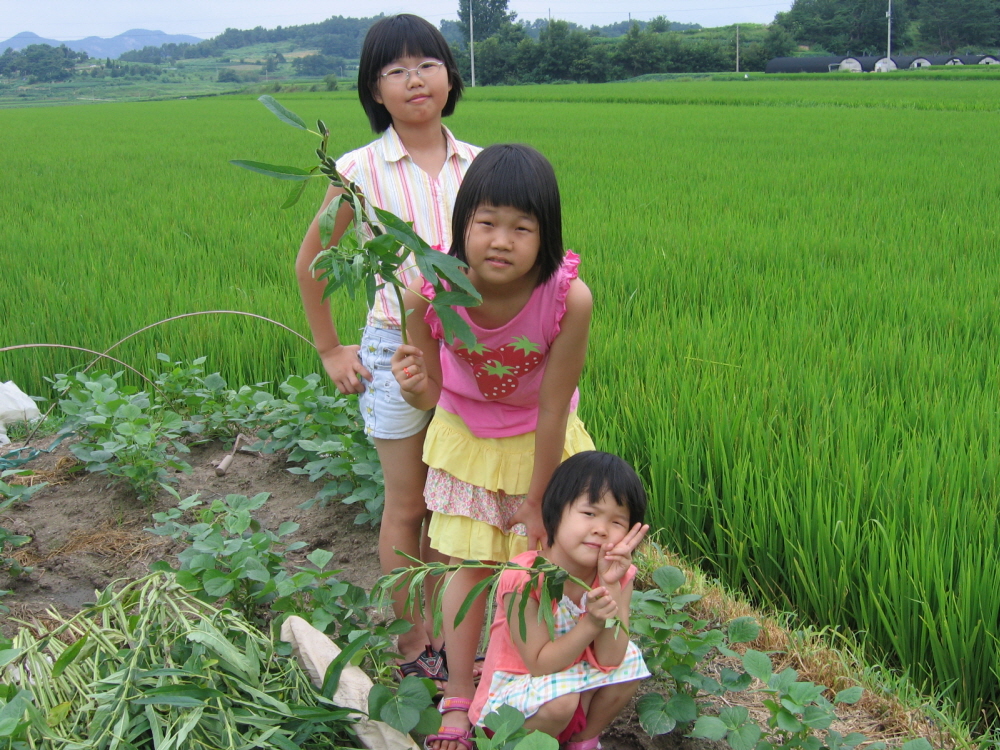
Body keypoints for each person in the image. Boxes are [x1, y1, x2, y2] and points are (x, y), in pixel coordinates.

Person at [390, 143, 595, 750]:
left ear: (546, 235)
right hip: (468, 442)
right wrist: (414, 384)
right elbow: (426, 400)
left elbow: (554, 406)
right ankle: (457, 695)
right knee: (468, 568)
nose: (500, 240)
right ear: (461, 227)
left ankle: (542, 682)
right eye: (485, 223)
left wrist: (538, 500)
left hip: (541, 440)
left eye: (521, 227)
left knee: (545, 571)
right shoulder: (427, 293)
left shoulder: (567, 299)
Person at [295, 13, 480, 682]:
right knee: (407, 504)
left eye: (426, 64)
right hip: (393, 348)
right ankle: (413, 645)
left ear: (449, 76)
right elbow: (312, 262)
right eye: (395, 70)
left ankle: (461, 638)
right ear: (375, 91)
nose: (414, 79)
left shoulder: (482, 166)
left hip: (469, 351)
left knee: (459, 506)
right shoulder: (358, 170)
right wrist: (330, 349)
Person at [470, 451, 651, 750]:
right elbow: (540, 664)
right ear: (555, 512)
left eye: (617, 521)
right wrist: (592, 622)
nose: (601, 529)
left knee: (630, 665)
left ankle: (580, 740)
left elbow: (610, 659)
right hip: (513, 701)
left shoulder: (620, 575)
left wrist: (610, 587)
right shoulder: (526, 578)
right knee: (561, 703)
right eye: (589, 514)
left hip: (568, 679)